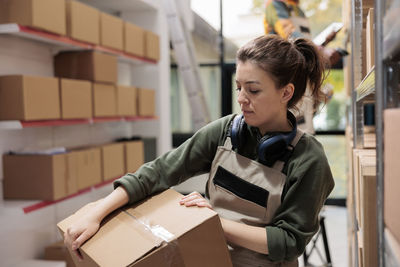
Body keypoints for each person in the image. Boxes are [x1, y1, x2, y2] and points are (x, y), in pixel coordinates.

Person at [64, 35, 334, 267]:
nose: (241, 99)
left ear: (286, 93)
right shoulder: (226, 131)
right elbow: (157, 173)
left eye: (253, 90)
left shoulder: (308, 159)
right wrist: (95, 213)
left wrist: (211, 221)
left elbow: (287, 241)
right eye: (238, 87)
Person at [263, 0, 341, 134]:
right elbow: (289, 34)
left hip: (302, 77)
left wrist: (324, 42)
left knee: (305, 129)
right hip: (286, 76)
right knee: (292, 131)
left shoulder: (298, 10)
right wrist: (319, 51)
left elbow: (304, 45)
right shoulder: (274, 5)